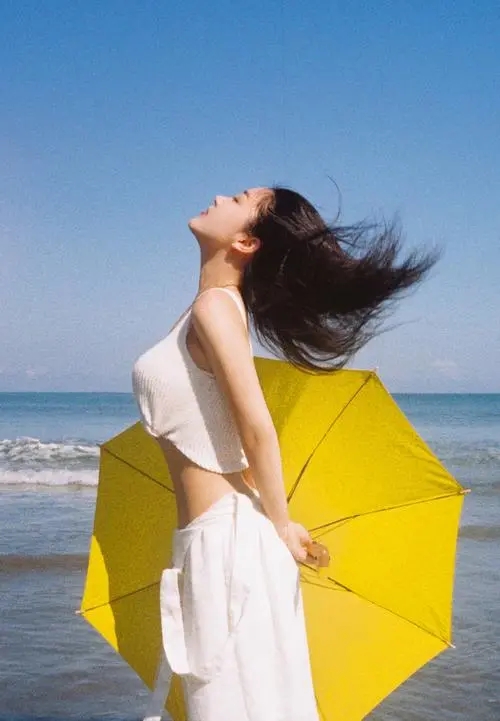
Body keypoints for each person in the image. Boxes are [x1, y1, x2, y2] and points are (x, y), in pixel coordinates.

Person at [131, 185, 440, 721]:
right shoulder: (211, 308)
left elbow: (258, 428)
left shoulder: (214, 306)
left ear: (246, 241)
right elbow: (228, 437)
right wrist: (281, 525)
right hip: (215, 540)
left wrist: (277, 525)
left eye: (239, 199)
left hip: (226, 546)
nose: (220, 196)